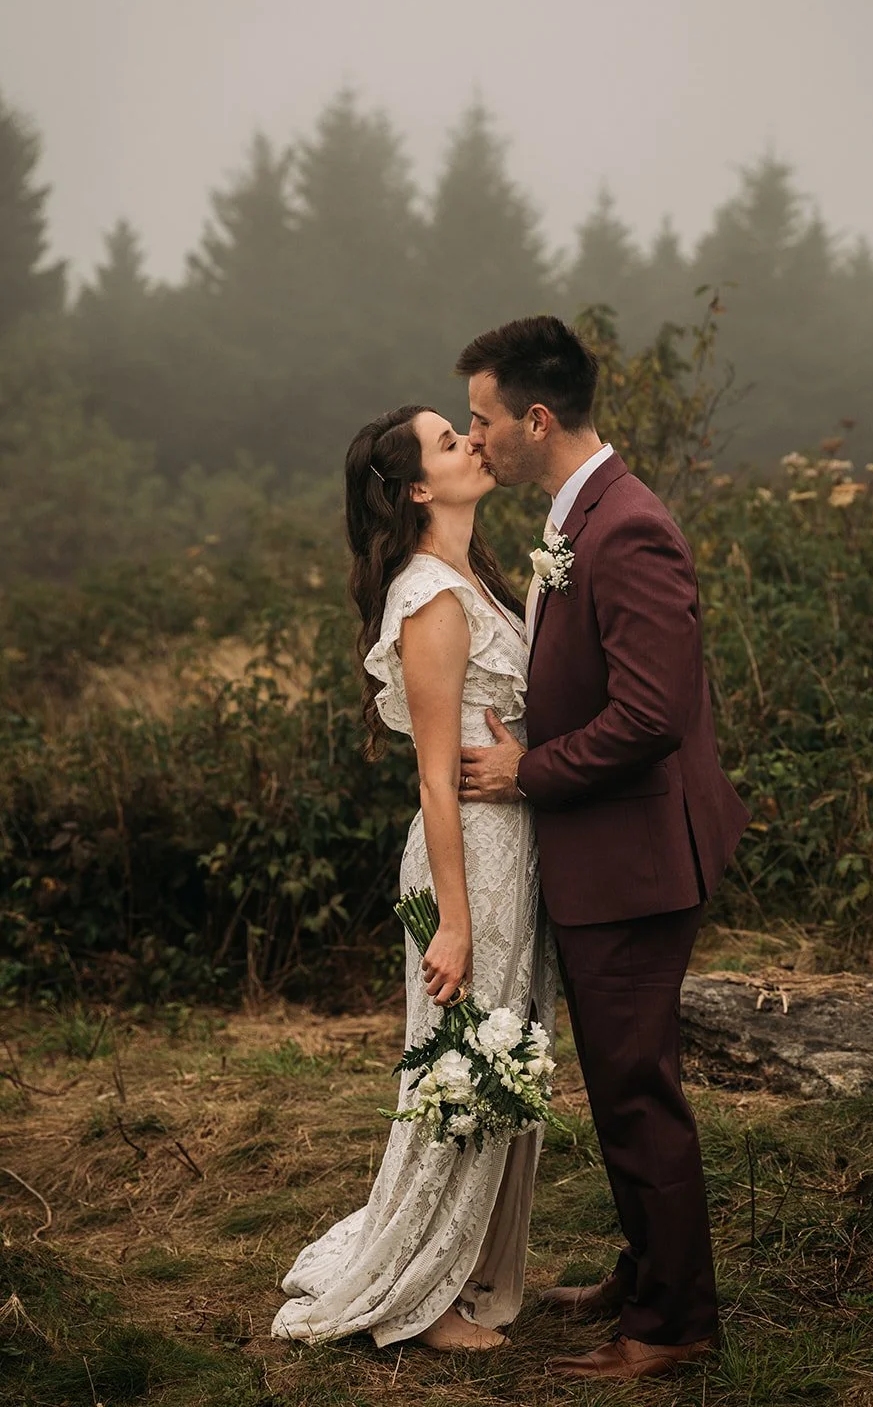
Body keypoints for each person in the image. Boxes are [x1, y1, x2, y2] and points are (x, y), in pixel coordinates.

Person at [456, 316, 749, 1382]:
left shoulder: (624, 527)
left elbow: (651, 714)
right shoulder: (572, 520)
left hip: (635, 861)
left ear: (537, 418)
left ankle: (675, 1323)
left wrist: (525, 771)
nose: (473, 437)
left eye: (483, 419)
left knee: (636, 1090)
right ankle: (643, 1270)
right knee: (615, 1074)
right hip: (608, 857)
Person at [271, 404, 556, 1351]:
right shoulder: (430, 596)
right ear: (420, 490)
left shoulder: (472, 578)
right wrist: (455, 922)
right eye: (450, 440)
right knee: (462, 1063)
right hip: (466, 858)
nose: (475, 440)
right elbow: (435, 775)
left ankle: (463, 1262)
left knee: (499, 1055)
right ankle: (421, 1302)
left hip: (507, 849)